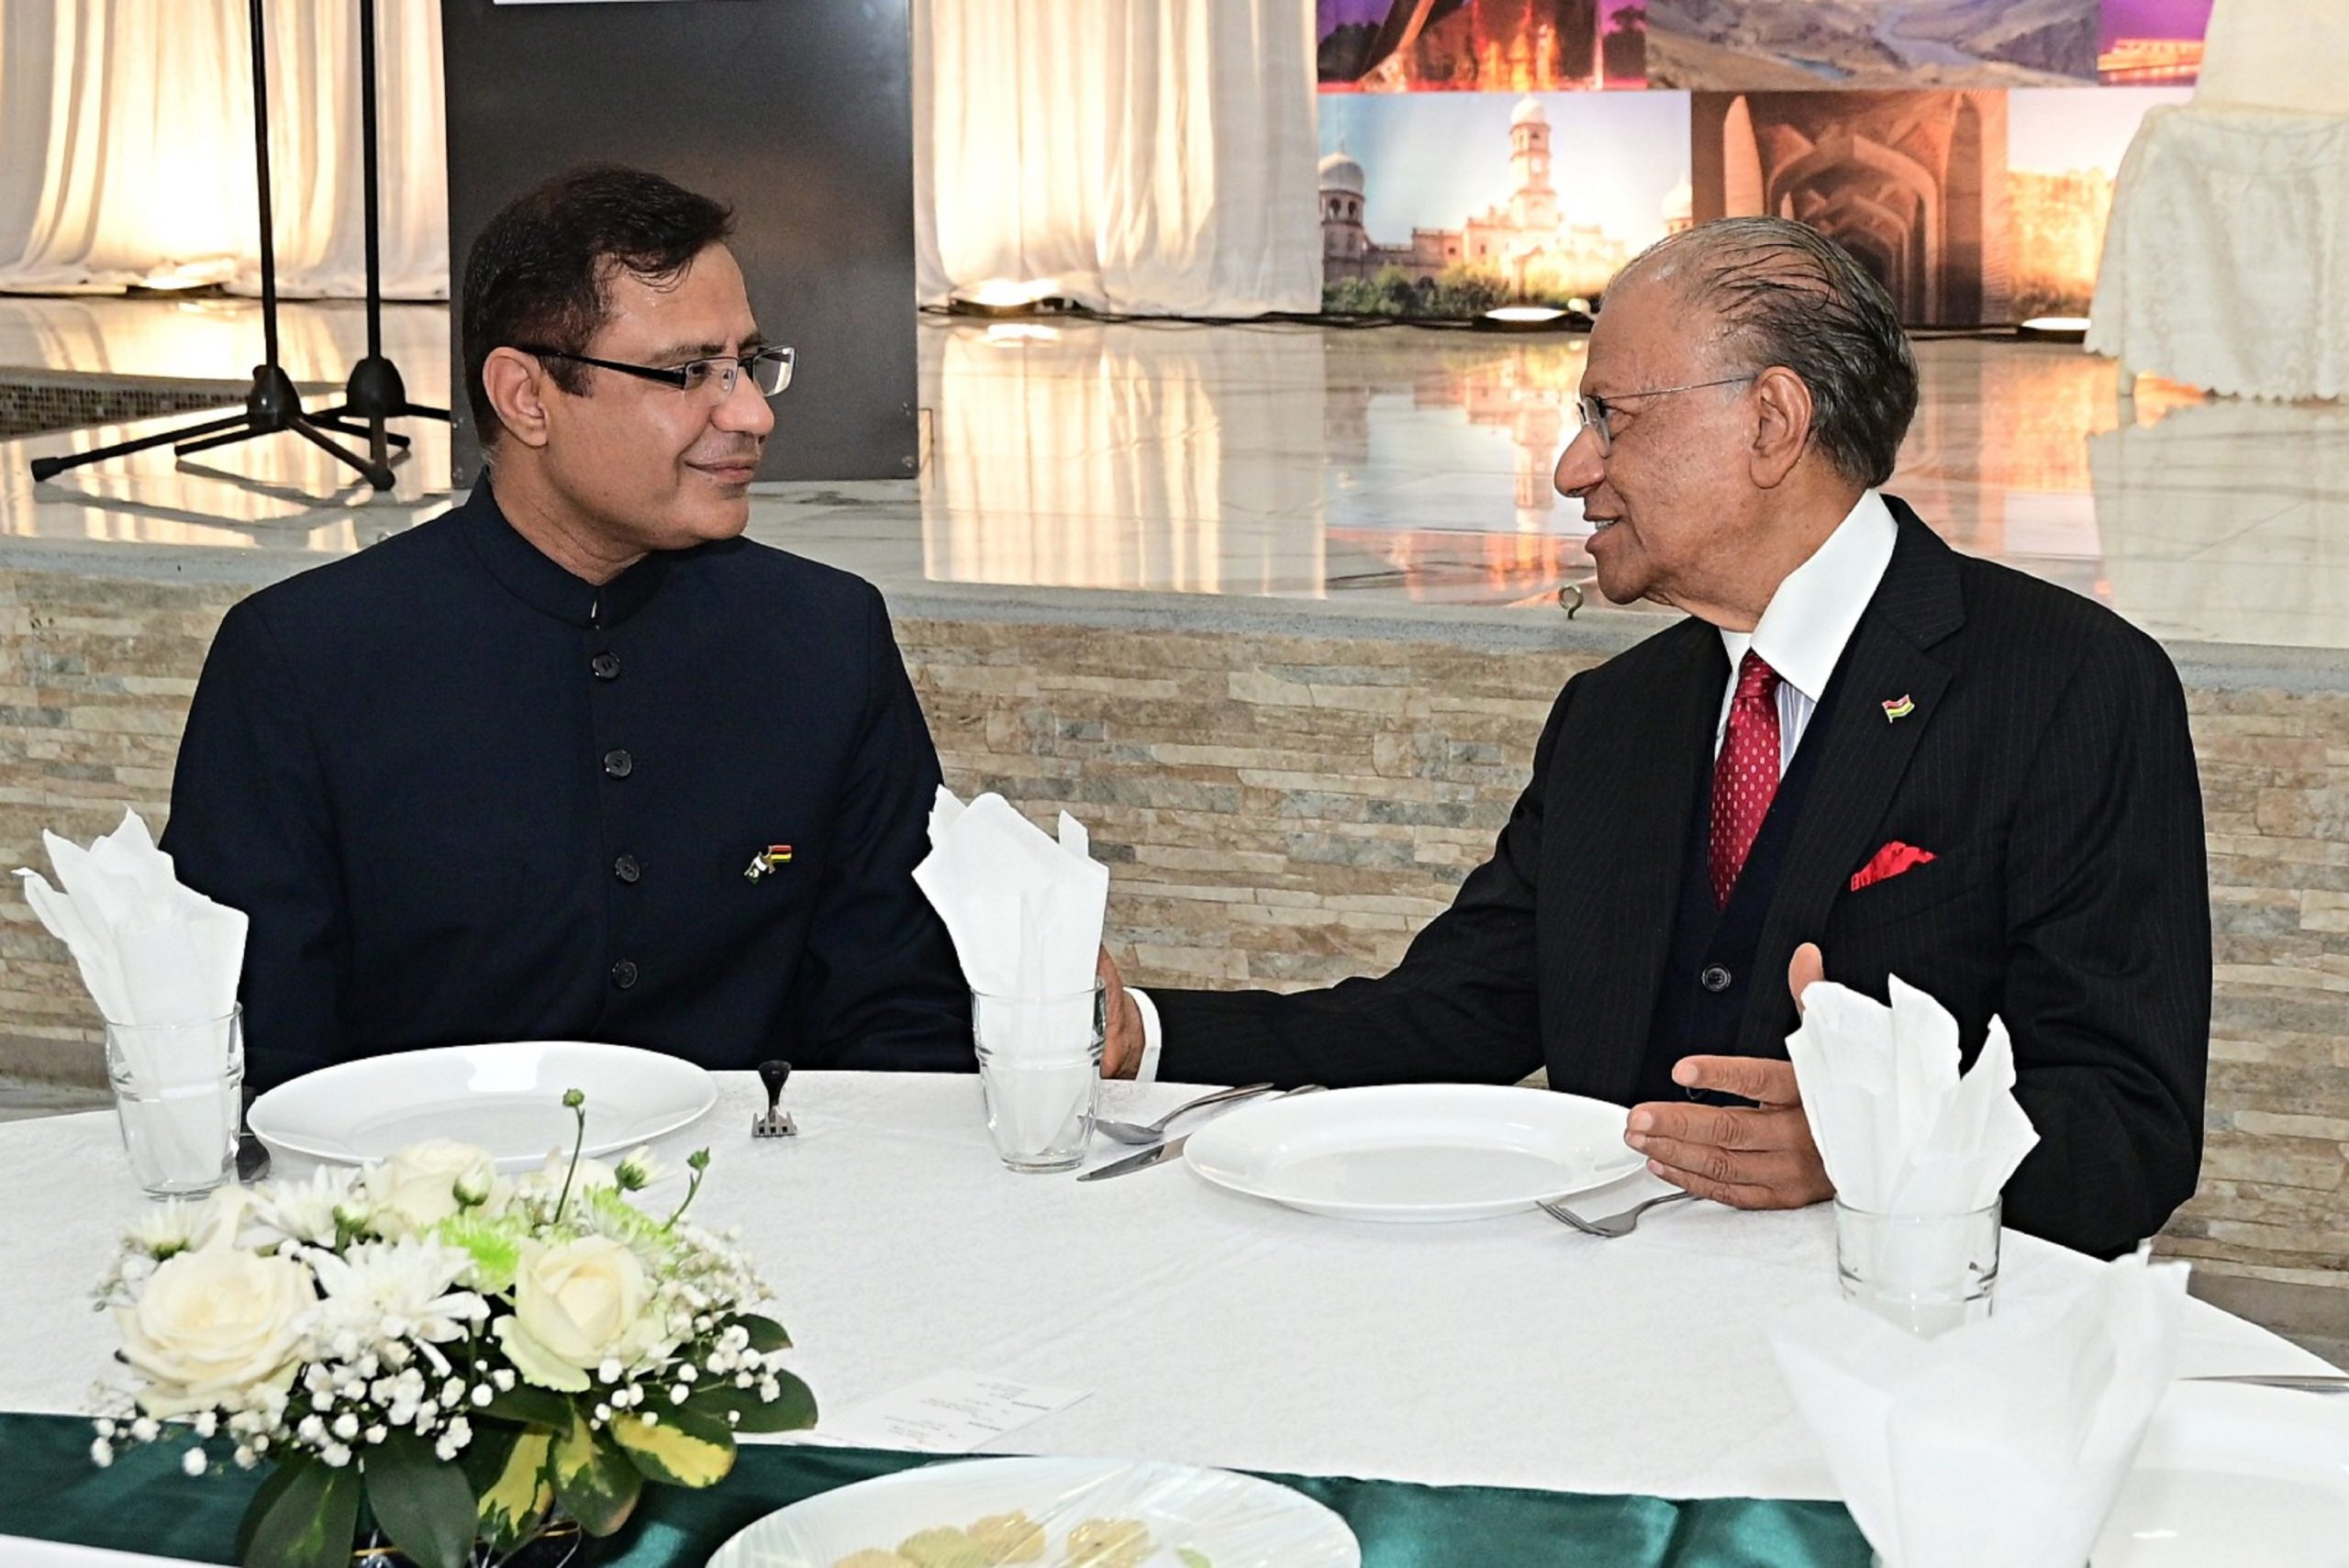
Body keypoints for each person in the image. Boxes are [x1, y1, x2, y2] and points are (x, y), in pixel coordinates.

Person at [1100, 217, 2210, 1259]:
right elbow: (1458, 1011)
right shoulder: (1614, 713)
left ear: (1770, 422)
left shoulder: (2068, 686)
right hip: (1608, 1321)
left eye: (1608, 417)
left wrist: (1877, 1148)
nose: (1570, 469)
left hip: (1892, 1341)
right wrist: (1144, 1033)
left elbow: (2128, 1126)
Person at [165, 165, 968, 1089]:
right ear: (526, 397)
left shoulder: (825, 637)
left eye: (747, 363)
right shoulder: (302, 663)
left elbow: (904, 1018)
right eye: (688, 373)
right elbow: (255, 1062)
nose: (752, 412)